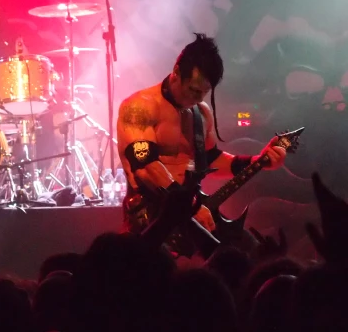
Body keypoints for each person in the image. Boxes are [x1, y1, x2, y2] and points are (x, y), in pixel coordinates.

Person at [116, 33, 287, 253]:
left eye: (204, 93)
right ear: (176, 72)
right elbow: (146, 168)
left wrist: (259, 161)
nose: (198, 99)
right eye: (194, 90)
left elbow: (211, 159)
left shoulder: (201, 113)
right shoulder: (140, 107)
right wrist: (188, 207)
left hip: (192, 213)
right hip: (154, 219)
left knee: (251, 255)